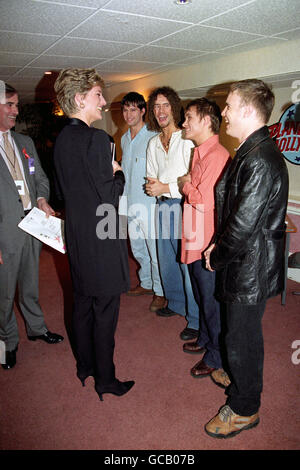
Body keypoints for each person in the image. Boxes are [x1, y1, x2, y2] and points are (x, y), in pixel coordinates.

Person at [204, 79, 289, 438]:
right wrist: (218, 247)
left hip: (248, 267)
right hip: (243, 262)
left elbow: (241, 226)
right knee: (237, 332)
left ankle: (244, 407)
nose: (223, 112)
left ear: (248, 110)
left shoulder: (261, 159)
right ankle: (239, 374)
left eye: (229, 105)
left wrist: (215, 255)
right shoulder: (250, 151)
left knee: (242, 337)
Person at [53, 68, 134, 401]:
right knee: (105, 311)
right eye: (98, 95)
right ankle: (106, 379)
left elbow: (60, 193)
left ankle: (84, 365)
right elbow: (110, 196)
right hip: (104, 234)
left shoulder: (60, 140)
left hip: (77, 234)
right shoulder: (98, 139)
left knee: (82, 303)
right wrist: (119, 174)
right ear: (79, 98)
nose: (103, 102)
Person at [0, 83, 64, 370]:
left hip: (32, 224)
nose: (16, 110)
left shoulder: (24, 142)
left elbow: (41, 178)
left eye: (16, 105)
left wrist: (41, 198)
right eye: (9, 105)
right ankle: (8, 342)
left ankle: (37, 328)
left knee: (30, 284)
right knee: (3, 293)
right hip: (4, 232)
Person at [179, 98, 230, 378]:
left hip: (207, 243)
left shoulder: (216, 156)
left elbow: (203, 201)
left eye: (189, 117)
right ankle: (207, 339)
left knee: (211, 302)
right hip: (194, 237)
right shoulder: (199, 153)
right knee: (201, 296)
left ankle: (215, 356)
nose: (183, 123)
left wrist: (184, 183)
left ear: (206, 121)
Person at [145, 86, 199, 341]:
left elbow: (192, 179)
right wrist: (156, 187)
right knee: (167, 261)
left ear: (174, 107)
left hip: (184, 206)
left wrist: (165, 186)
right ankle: (176, 304)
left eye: (165, 105)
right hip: (162, 207)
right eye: (156, 106)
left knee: (188, 265)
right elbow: (151, 177)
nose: (161, 110)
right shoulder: (153, 143)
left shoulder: (187, 139)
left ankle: (197, 319)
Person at [119, 92, 165, 312]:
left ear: (143, 111)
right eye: (125, 110)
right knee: (137, 248)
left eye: (133, 110)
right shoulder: (124, 138)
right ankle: (146, 283)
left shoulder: (154, 136)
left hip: (148, 203)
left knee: (154, 249)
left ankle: (160, 291)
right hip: (128, 202)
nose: (128, 115)